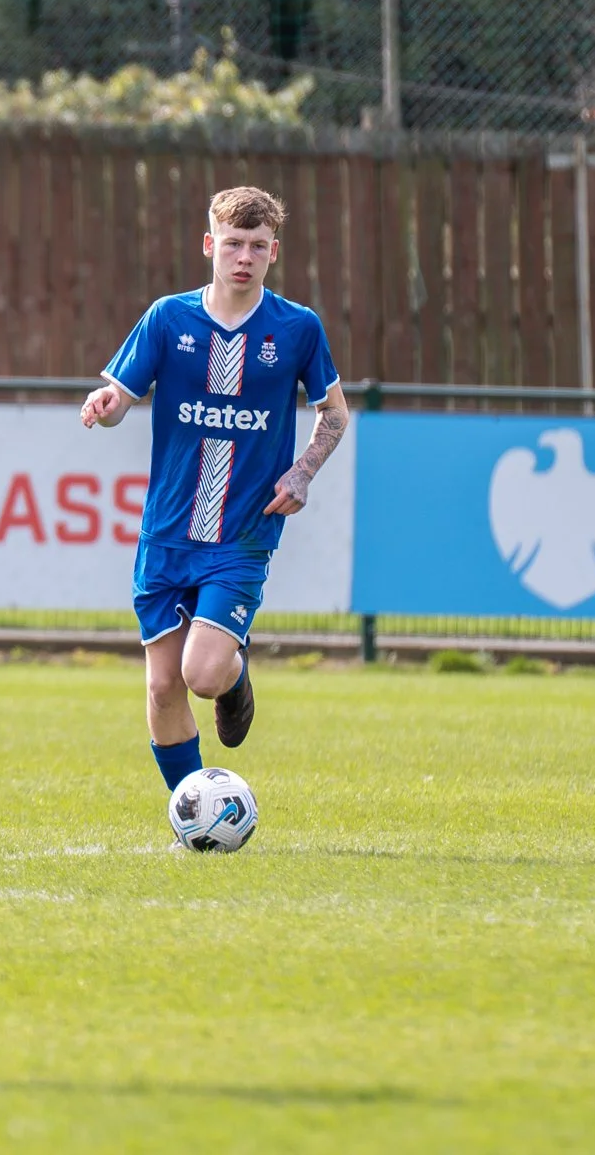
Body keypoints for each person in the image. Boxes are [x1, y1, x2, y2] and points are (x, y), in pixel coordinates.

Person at [80, 187, 350, 793]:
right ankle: (194, 811)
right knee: (161, 685)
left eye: (257, 246)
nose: (244, 257)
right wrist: (108, 402)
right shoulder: (168, 318)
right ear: (210, 245)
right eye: (233, 243)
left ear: (273, 252)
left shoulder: (297, 328)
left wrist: (302, 471)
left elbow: (334, 414)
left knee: (201, 673)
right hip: (169, 531)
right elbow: (123, 397)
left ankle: (234, 675)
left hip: (243, 531)